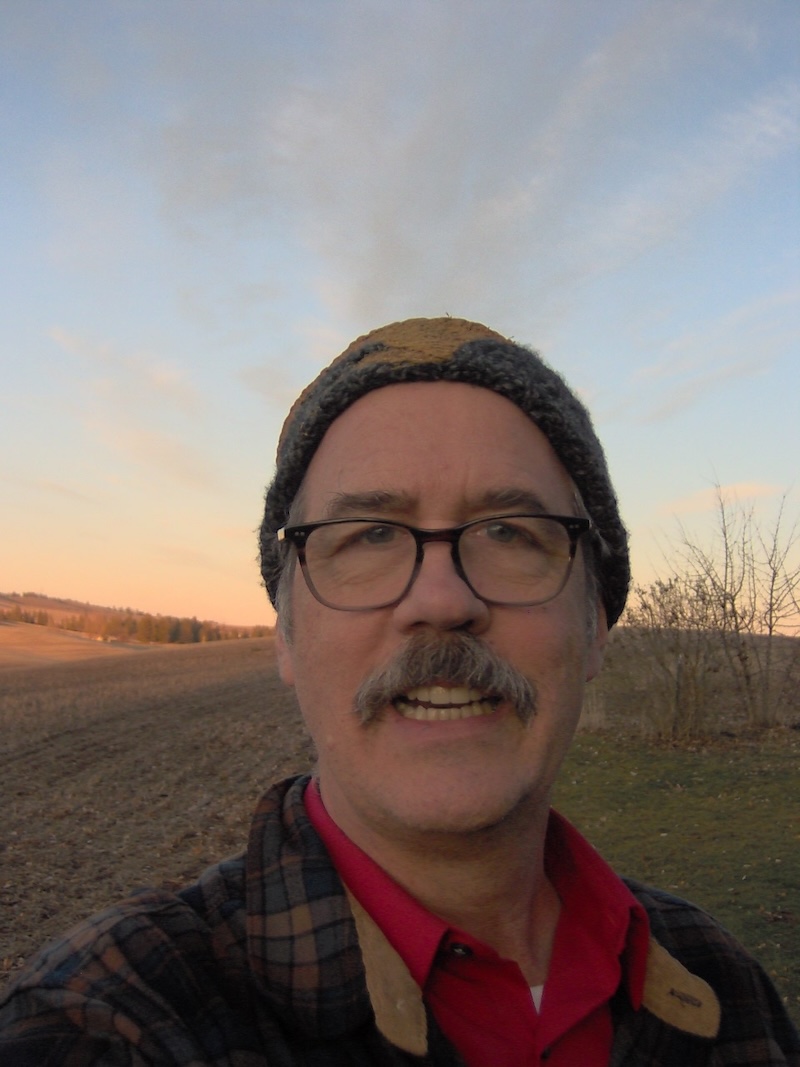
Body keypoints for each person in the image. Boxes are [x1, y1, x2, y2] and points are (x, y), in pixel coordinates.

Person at [1, 318, 797, 1066]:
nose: (443, 600)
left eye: (510, 532)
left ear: (594, 623)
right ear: (286, 631)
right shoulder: (104, 1023)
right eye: (370, 536)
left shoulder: (725, 988)